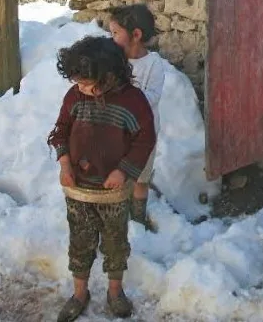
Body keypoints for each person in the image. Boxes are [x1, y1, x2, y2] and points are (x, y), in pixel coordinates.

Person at [47, 36, 156, 321]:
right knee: (80, 240)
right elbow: (59, 131)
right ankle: (80, 292)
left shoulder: (133, 101)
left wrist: (124, 171)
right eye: (77, 82)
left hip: (114, 193)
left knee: (115, 241)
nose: (80, 88)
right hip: (79, 191)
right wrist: (64, 163)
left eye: (86, 82)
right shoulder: (75, 97)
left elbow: (144, 139)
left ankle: (115, 290)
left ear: (109, 75)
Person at [109, 4, 165, 232]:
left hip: (145, 134)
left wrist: (127, 96)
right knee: (119, 174)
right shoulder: (115, 61)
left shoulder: (154, 64)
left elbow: (152, 96)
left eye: (115, 33)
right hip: (117, 133)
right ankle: (118, 214)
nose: (111, 39)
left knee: (140, 179)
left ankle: (139, 218)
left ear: (136, 35)